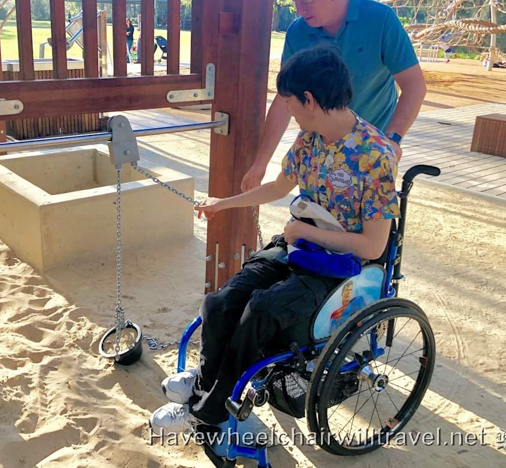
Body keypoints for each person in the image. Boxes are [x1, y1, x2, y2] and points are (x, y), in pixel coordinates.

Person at [149, 45, 400, 435]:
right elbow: (279, 187)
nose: (290, 114)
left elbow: (373, 247)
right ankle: (205, 382)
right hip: (298, 249)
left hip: (341, 270)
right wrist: (224, 203)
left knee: (260, 312)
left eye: (290, 105)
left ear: (310, 100)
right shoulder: (309, 140)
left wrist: (306, 232)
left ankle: (210, 409)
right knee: (220, 302)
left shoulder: (375, 156)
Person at [241, 0, 425, 192]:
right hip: (318, 150)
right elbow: (285, 98)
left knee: (365, 226)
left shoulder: (380, 19)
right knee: (310, 220)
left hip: (368, 152)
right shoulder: (298, 32)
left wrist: (392, 139)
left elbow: (414, 86)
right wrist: (260, 164)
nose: (299, 11)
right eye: (295, 3)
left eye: (306, 3)